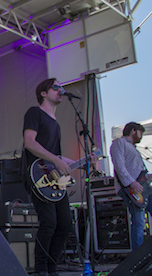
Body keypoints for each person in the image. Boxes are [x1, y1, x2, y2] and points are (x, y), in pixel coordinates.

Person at [21, 78, 96, 276]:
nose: (60, 90)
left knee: (65, 223)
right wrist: (56, 159)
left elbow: (57, 157)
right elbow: (29, 143)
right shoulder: (34, 113)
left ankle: (52, 268)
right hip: (38, 176)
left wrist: (82, 161)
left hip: (54, 178)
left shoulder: (56, 124)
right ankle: (41, 270)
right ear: (44, 93)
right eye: (56, 87)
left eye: (61, 87)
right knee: (49, 222)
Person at [110, 122, 152, 251]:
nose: (141, 136)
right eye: (141, 132)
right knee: (139, 221)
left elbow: (144, 176)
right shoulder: (119, 143)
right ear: (133, 131)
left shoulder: (134, 149)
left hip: (143, 188)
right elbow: (119, 166)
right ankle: (138, 256)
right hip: (129, 188)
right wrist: (131, 183)